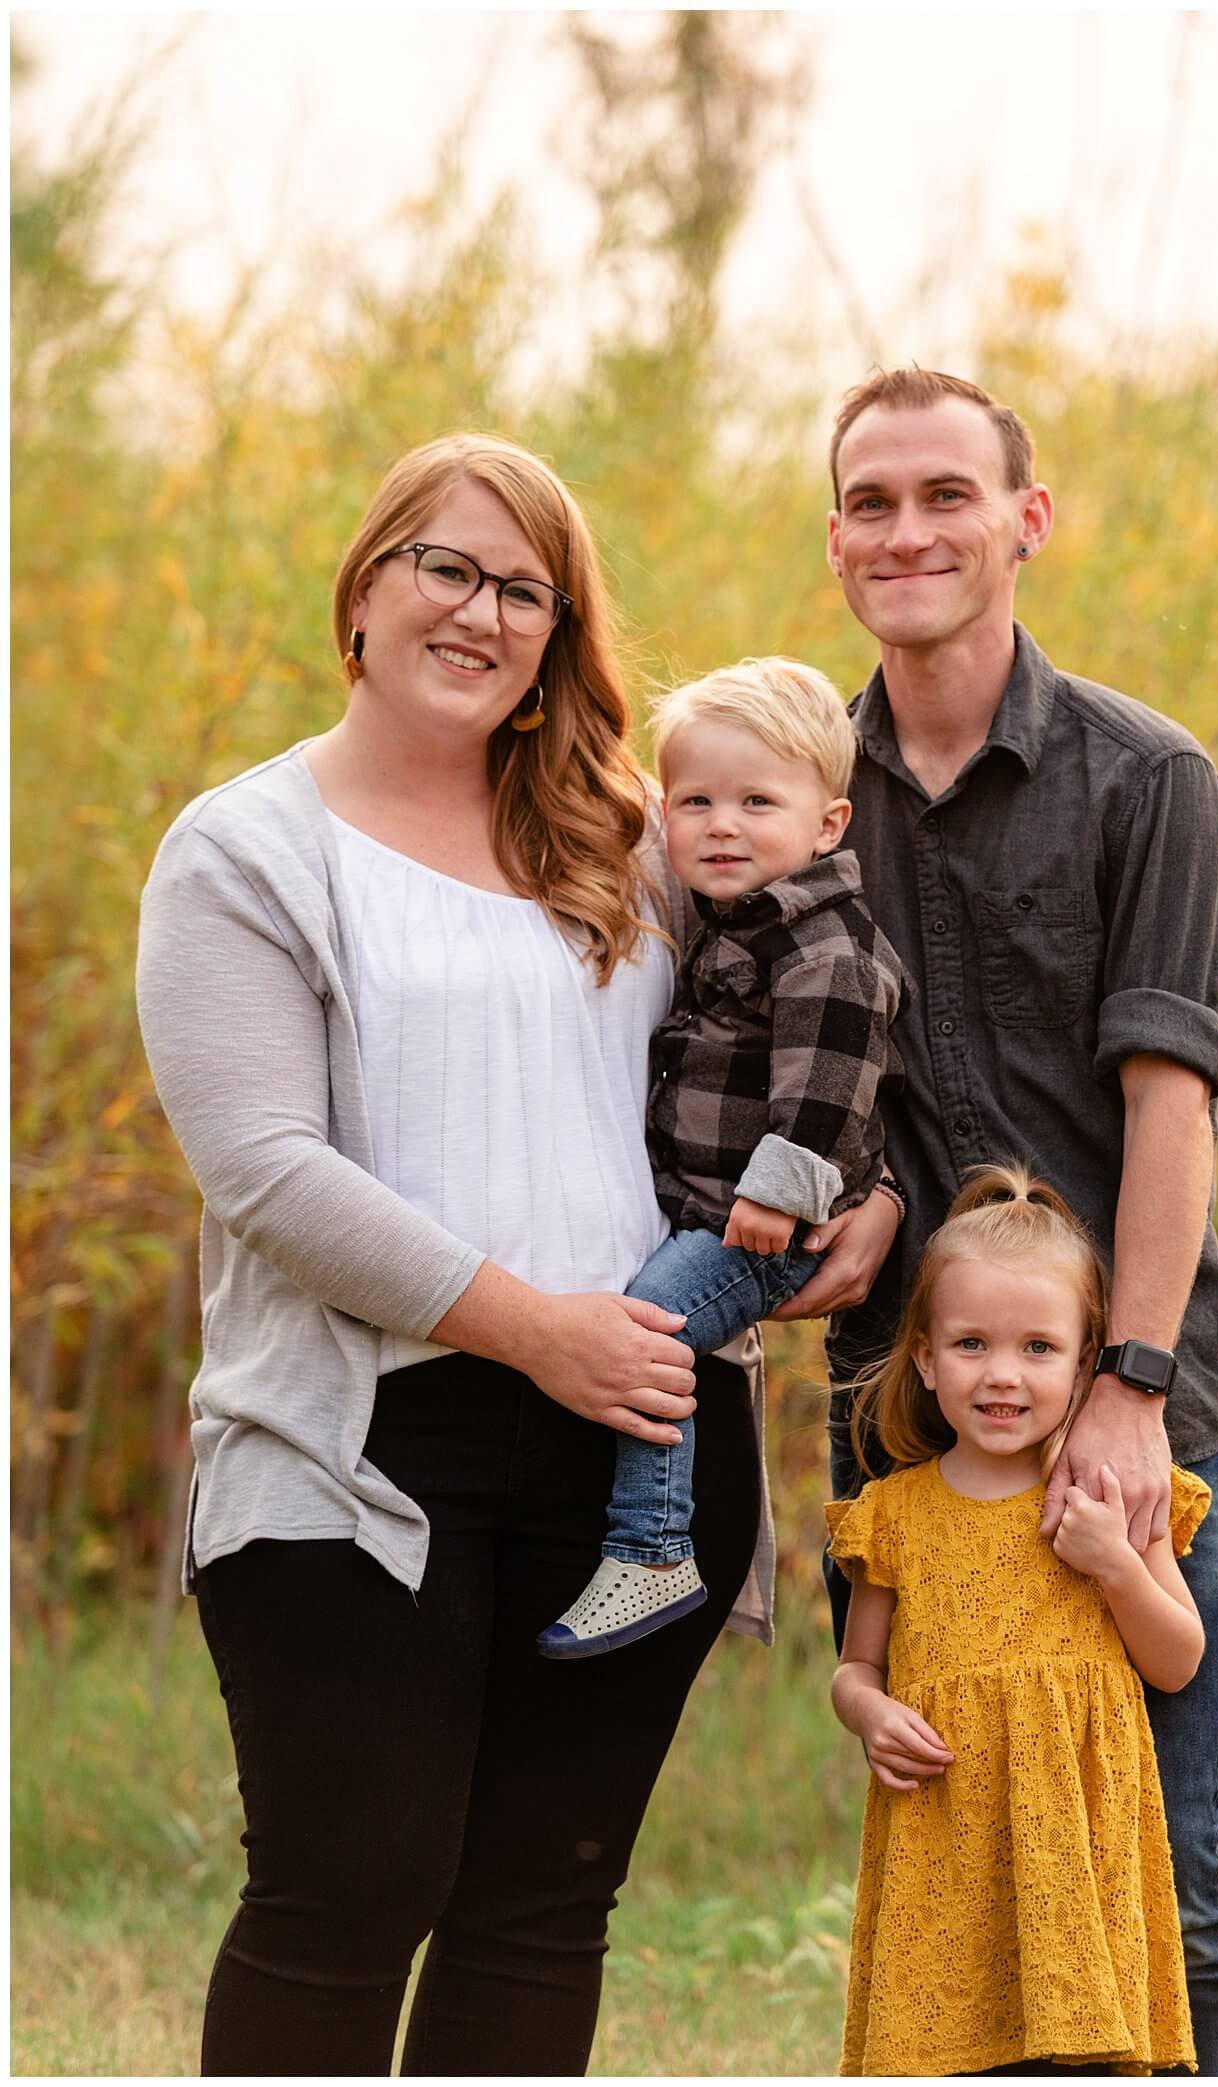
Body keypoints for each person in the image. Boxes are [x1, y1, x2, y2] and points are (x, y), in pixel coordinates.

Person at [135, 433, 776, 2076]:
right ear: (364, 591)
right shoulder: (245, 846)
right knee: (352, 1883)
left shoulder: (639, 843)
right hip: (358, 1440)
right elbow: (263, 1167)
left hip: (643, 1432)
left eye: (525, 589)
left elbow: (806, 1038)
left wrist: (854, 1216)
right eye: (446, 566)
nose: (480, 611)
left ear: (561, 637)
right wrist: (527, 1325)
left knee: (540, 1899)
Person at [770, 365, 1218, 2073]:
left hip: (1113, 1376)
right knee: (946, 1833)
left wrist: (1130, 1380)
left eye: (946, 493)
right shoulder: (804, 800)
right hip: (901, 1394)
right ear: (837, 541)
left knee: (1155, 1858)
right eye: (873, 502)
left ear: (1023, 521)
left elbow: (1167, 1105)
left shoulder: (1147, 777)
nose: (909, 529)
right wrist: (860, 1202)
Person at [539, 658, 903, 1658]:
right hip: (711, 1207)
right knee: (652, 1330)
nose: (721, 825)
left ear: (825, 824)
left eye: (755, 801)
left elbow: (828, 1092)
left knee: (651, 1334)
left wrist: (774, 1201)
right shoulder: (732, 919)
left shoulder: (822, 946)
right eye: (694, 801)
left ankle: (652, 1547)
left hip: (761, 1225)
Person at [828, 1162, 1207, 2077]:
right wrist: (871, 1714)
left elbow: (1179, 1660)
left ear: (1086, 1359)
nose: (1002, 1374)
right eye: (971, 1344)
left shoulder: (1107, 1493)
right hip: (947, 1847)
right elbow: (855, 1669)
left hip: (1076, 1855)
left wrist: (1116, 1562)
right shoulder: (895, 1512)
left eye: (1039, 1347)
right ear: (923, 1355)